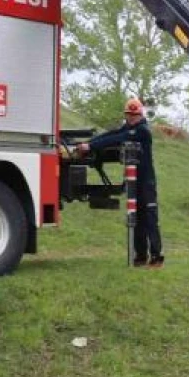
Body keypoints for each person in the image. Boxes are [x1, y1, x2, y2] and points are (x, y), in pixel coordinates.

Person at [75, 98, 163, 268]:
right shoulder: (129, 127)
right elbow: (112, 134)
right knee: (136, 218)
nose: (130, 118)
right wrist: (90, 143)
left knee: (149, 218)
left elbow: (119, 138)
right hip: (134, 181)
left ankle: (157, 257)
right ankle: (141, 256)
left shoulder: (142, 130)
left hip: (146, 182)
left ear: (140, 115)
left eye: (134, 115)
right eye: (128, 115)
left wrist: (90, 147)